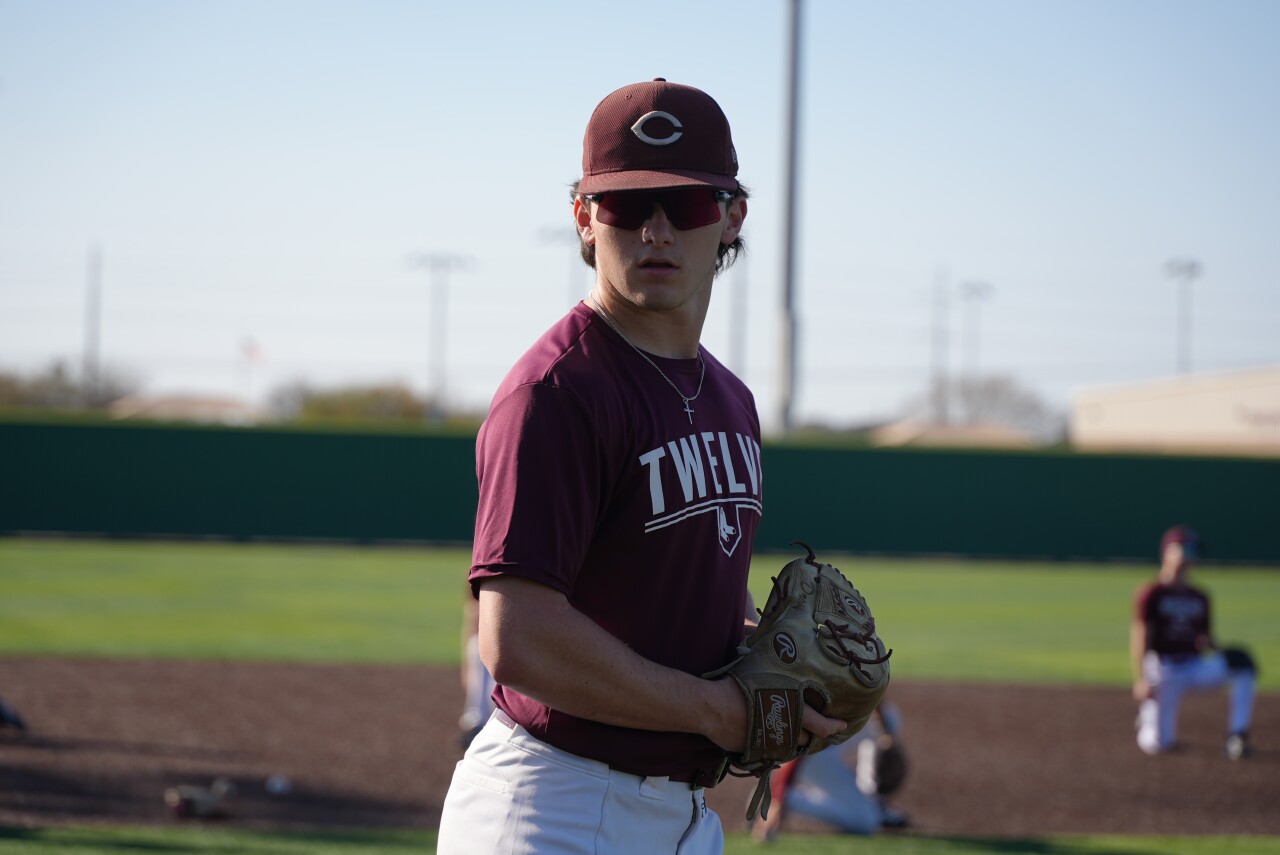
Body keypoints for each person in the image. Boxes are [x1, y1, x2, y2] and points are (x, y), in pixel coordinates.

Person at [435, 79, 845, 855]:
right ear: (585, 218)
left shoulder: (731, 398)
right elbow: (518, 638)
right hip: (554, 802)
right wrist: (718, 710)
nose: (656, 228)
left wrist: (775, 659)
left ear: (730, 217)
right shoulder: (556, 392)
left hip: (682, 815)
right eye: (628, 203)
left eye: (685, 204)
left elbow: (677, 603)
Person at [1131, 524, 1258, 759]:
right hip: (1163, 669)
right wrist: (1141, 679)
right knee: (1157, 744)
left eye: (1194, 551)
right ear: (1168, 551)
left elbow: (1207, 639)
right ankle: (1148, 716)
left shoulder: (1200, 596)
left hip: (1193, 666)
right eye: (1185, 549)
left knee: (1243, 664)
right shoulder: (1152, 593)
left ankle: (1237, 735)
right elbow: (1140, 637)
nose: (1191, 556)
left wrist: (1226, 651)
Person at [749, 699, 910, 842]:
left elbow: (875, 693)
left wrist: (887, 737)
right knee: (865, 821)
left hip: (820, 754)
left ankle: (874, 802)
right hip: (807, 758)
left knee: (890, 718)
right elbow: (801, 746)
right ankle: (787, 799)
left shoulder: (878, 713)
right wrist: (779, 796)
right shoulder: (834, 692)